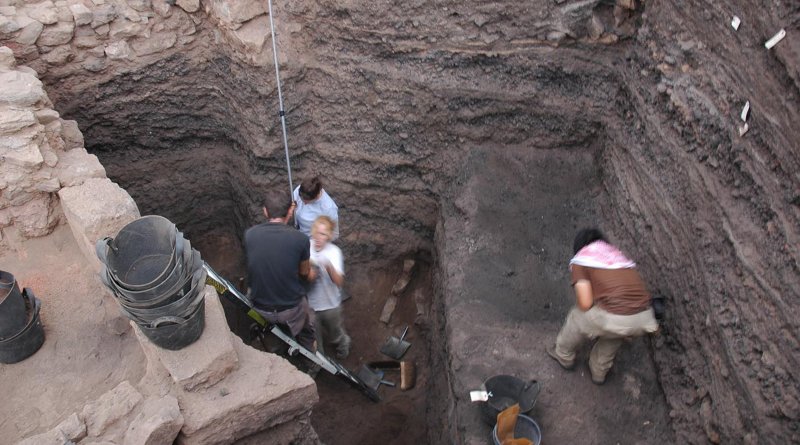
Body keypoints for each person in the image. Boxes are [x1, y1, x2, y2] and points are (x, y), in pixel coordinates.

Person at [547, 228, 658, 384]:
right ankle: (599, 372)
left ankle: (563, 355)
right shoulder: (618, 258)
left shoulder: (582, 259)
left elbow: (585, 303)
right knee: (616, 333)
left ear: (580, 247)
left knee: (577, 316)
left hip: (616, 318)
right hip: (644, 317)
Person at [245, 190, 316, 351]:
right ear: (290, 211)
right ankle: (310, 356)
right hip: (290, 310)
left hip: (260, 308)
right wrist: (312, 273)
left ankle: (273, 344)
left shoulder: (250, 235)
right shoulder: (301, 239)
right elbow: (305, 273)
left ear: (265, 211)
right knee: (308, 324)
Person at [307, 216, 351, 359]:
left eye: (323, 234)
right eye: (317, 233)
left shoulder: (334, 252)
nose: (319, 237)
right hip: (310, 306)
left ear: (329, 236)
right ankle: (318, 362)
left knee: (335, 334)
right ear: (312, 232)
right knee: (314, 338)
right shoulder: (306, 247)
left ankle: (344, 344)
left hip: (330, 305)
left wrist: (328, 266)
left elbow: (339, 281)